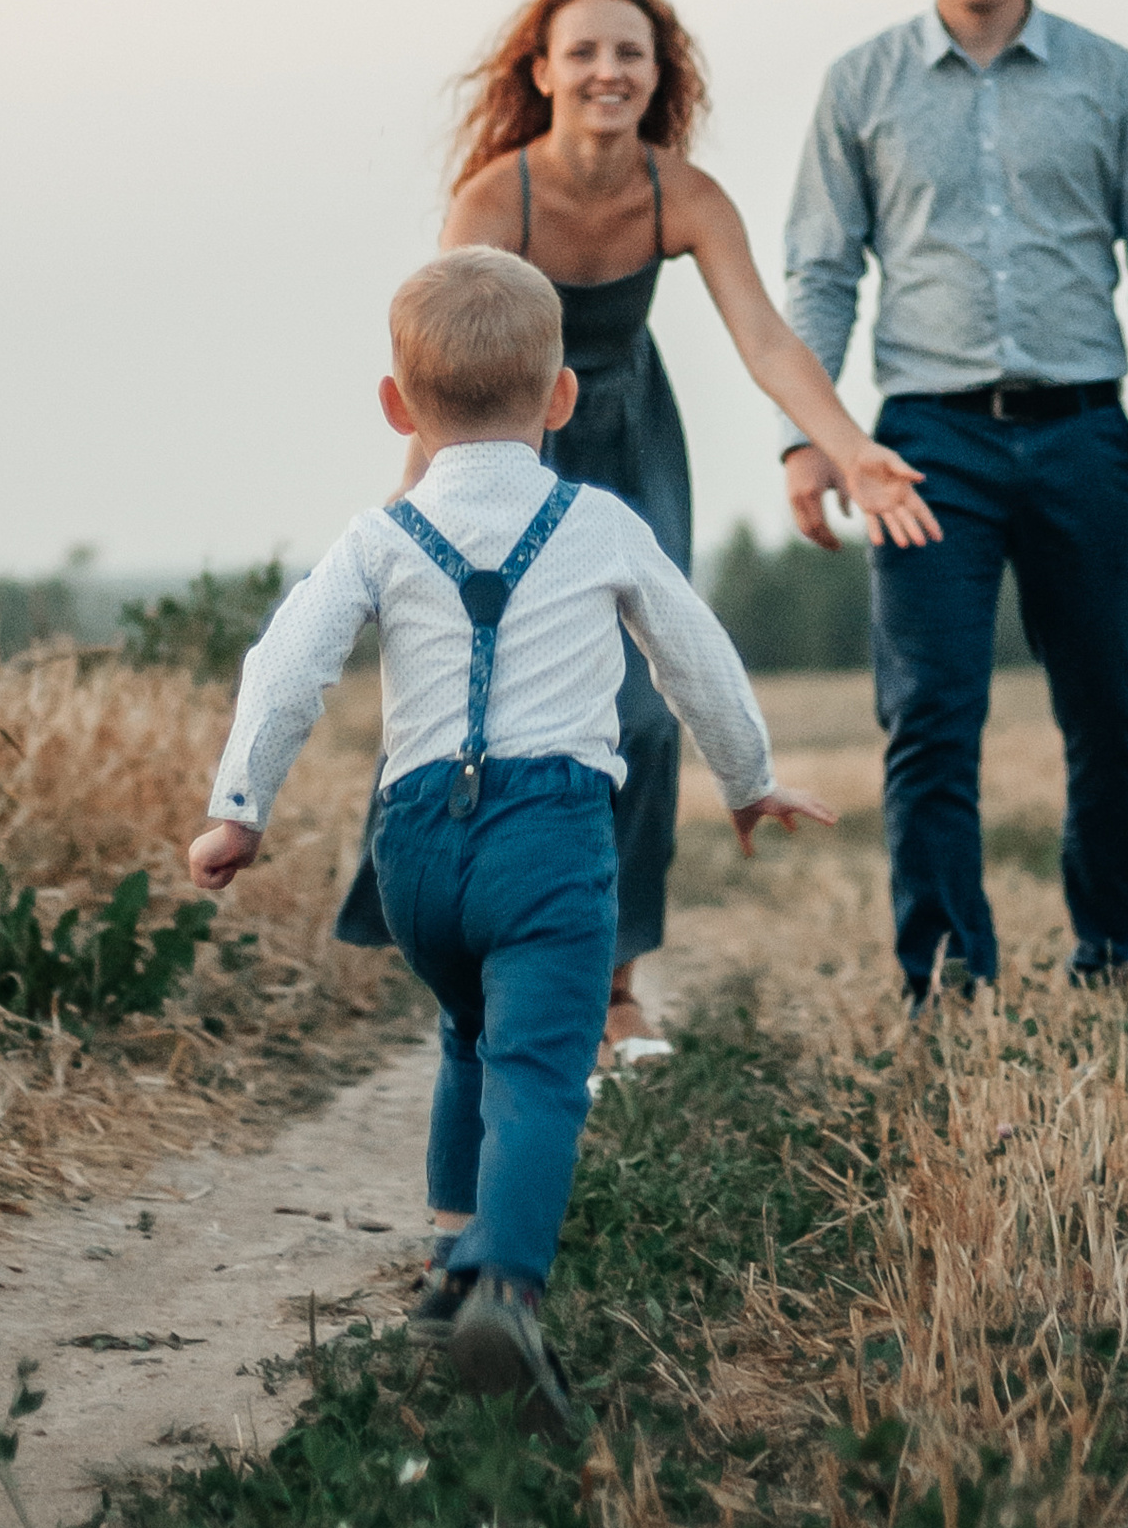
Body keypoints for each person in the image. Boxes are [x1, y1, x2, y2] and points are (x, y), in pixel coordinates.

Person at [191, 249, 832, 1435]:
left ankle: (447, 1268)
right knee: (544, 1067)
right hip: (548, 837)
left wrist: (240, 808)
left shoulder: (378, 536)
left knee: (468, 1032)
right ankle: (506, 1289)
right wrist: (749, 778)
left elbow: (285, 668)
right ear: (562, 398)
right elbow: (696, 658)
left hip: (416, 850)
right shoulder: (600, 523)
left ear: (397, 407)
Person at [335, 0, 938, 1057]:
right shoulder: (495, 197)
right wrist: (406, 515)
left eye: (631, 53)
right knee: (465, 679)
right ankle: (453, 934)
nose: (608, 71)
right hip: (510, 433)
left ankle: (614, 981)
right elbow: (446, 359)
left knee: (646, 714)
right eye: (585, 52)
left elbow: (763, 337)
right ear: (542, 71)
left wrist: (849, 451)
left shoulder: (685, 194)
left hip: (629, 439)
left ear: (659, 76)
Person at [780, 0, 1128, 1004]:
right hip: (923, 446)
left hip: (1084, 429)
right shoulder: (860, 86)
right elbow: (820, 275)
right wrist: (812, 445)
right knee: (928, 719)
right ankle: (945, 979)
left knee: (1112, 711)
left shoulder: (1107, 78)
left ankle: (1120, 962)